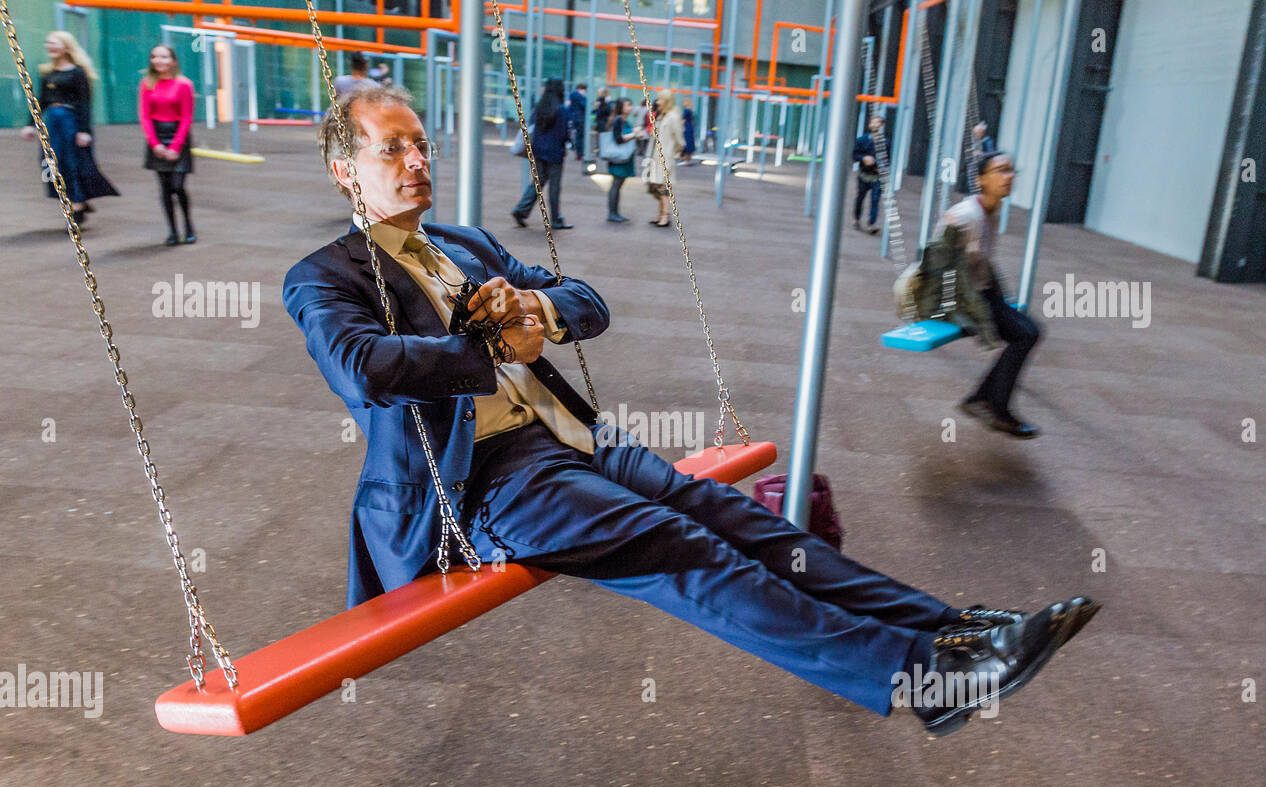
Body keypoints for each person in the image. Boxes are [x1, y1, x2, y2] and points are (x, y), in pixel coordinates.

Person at [282, 86, 1100, 736]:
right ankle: (921, 677)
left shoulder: (464, 242)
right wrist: (490, 348)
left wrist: (536, 310)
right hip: (483, 484)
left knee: (741, 521)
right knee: (682, 544)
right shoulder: (326, 277)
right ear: (344, 170)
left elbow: (588, 300)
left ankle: (954, 630)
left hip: (572, 437)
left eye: (421, 142)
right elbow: (362, 368)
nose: (417, 159)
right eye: (392, 148)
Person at [947, 152, 1043, 439]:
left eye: (1011, 170)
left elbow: (981, 260)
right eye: (1000, 170)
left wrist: (999, 295)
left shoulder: (989, 210)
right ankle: (992, 406)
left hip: (979, 290)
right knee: (1026, 333)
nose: (1009, 176)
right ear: (980, 180)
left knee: (1026, 332)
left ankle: (983, 401)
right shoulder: (966, 216)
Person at [20, 31, 118, 225]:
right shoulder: (47, 73)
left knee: (74, 164)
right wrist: (30, 125)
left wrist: (84, 131)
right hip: (53, 124)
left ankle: (78, 206)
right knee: (52, 164)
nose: (50, 47)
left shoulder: (78, 73)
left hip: (71, 122)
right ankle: (77, 199)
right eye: (48, 43)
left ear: (66, 47)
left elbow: (84, 103)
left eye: (55, 43)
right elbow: (39, 102)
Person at [138, 45, 196, 246]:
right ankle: (172, 231)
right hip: (157, 135)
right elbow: (145, 116)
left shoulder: (184, 84)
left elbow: (187, 117)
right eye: (154, 56)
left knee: (178, 186)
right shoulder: (147, 84)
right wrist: (155, 144)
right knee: (164, 189)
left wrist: (176, 146)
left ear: (172, 61)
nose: (158, 60)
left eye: (163, 57)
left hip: (178, 135)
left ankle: (188, 226)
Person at [511, 77, 572, 230]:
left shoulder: (540, 106)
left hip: (538, 150)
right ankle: (556, 219)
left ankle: (521, 209)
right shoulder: (561, 109)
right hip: (555, 152)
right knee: (554, 187)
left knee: (538, 182)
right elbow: (565, 133)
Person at [643, 90, 685, 228]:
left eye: (661, 99)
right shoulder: (662, 115)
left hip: (665, 156)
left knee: (662, 186)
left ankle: (664, 216)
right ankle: (661, 214)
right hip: (655, 155)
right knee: (656, 185)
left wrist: (675, 153)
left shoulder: (673, 117)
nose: (658, 102)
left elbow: (679, 139)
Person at [603, 98, 641, 223]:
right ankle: (612, 213)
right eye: (628, 105)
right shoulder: (618, 120)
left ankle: (614, 212)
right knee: (616, 184)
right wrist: (634, 134)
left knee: (617, 185)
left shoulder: (622, 120)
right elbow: (618, 139)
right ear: (622, 107)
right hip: (619, 157)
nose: (630, 107)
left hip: (623, 157)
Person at [852, 114, 884, 234]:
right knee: (860, 198)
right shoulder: (861, 140)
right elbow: (854, 155)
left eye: (878, 122)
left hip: (877, 176)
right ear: (870, 124)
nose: (875, 125)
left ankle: (872, 223)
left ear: (881, 125)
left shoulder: (885, 142)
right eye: (873, 122)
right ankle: (857, 219)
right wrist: (863, 158)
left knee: (875, 200)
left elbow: (888, 159)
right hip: (864, 175)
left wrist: (879, 166)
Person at [567, 82, 588, 167]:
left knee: (576, 135)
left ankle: (576, 150)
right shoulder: (580, 96)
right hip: (580, 119)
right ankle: (580, 153)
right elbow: (584, 106)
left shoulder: (572, 95)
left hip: (574, 118)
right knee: (580, 136)